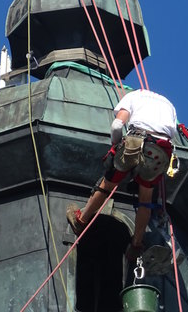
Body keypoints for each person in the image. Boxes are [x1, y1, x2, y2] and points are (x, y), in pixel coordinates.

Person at [66, 88, 177, 259]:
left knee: (108, 183)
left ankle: (80, 220)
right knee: (145, 198)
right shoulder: (168, 104)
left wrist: (116, 146)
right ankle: (136, 244)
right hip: (161, 150)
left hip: (136, 141)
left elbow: (117, 125)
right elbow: (170, 133)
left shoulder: (133, 96)